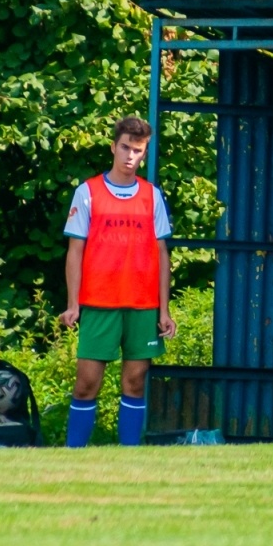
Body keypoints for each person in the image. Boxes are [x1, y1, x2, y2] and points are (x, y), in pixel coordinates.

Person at [59, 116, 176, 447]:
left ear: (144, 153)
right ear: (113, 146)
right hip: (99, 302)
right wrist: (73, 304)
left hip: (142, 304)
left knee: (135, 382)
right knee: (86, 383)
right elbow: (74, 252)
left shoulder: (152, 196)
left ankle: (129, 455)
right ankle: (73, 454)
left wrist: (164, 310)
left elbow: (162, 254)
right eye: (125, 147)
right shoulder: (87, 192)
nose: (130, 156)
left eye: (137, 150)